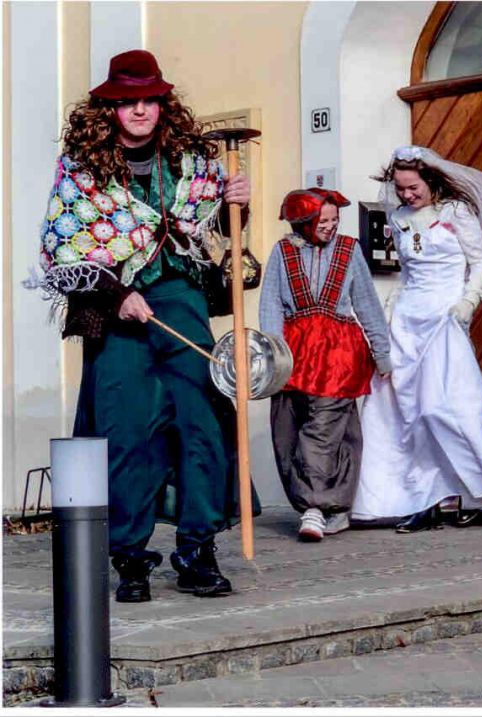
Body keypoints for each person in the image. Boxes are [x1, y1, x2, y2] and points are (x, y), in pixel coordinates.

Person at [33, 50, 251, 601]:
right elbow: (63, 243)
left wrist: (238, 203)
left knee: (201, 424)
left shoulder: (190, 161)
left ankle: (197, 549)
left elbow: (218, 225)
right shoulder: (82, 169)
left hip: (179, 298)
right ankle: (131, 557)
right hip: (115, 306)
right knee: (127, 432)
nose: (139, 110)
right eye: (127, 101)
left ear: (162, 105)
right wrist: (116, 294)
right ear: (108, 109)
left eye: (149, 100)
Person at [351, 145, 482, 532]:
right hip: (407, 320)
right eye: (400, 188)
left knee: (444, 407)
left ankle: (479, 492)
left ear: (430, 180)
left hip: (444, 319)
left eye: (413, 187)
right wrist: (391, 309)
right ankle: (421, 498)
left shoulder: (456, 212)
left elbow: (480, 263)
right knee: (399, 412)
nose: (407, 194)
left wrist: (468, 301)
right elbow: (407, 272)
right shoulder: (398, 218)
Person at [259, 188, 391, 541]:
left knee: (322, 427)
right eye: (324, 221)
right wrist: (272, 355)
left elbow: (366, 302)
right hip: (295, 352)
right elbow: (270, 304)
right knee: (291, 428)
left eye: (335, 219)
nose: (331, 226)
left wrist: (382, 353)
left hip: (338, 353)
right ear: (303, 222)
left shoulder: (349, 250)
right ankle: (337, 506)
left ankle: (314, 507)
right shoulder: (283, 251)